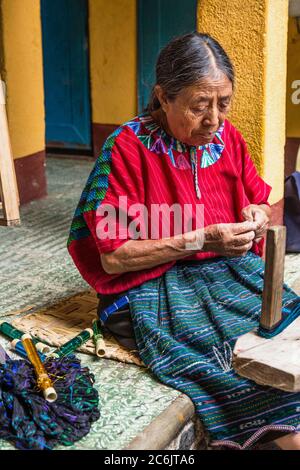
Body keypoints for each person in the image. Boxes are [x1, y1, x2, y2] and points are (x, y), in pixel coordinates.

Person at [68, 32, 300, 450]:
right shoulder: (126, 148)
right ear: (163, 97)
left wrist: (258, 215)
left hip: (228, 273)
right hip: (155, 286)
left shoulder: (226, 138)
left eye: (223, 104)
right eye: (199, 106)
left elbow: (260, 198)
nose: (214, 119)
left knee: (285, 331)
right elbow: (115, 258)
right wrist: (201, 239)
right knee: (232, 362)